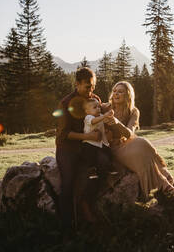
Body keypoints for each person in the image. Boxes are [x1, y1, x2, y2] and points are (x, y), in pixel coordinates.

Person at [55, 67, 110, 238]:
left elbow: (100, 117)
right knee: (68, 183)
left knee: (104, 163)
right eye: (88, 86)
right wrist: (87, 136)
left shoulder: (95, 99)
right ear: (77, 84)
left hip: (89, 147)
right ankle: (67, 226)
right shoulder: (65, 103)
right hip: (68, 148)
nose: (91, 91)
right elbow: (63, 135)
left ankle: (87, 203)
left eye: (93, 86)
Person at [106, 81, 174, 199]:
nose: (116, 94)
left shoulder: (134, 111)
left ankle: (162, 176)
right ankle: (163, 182)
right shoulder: (106, 108)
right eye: (114, 91)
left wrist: (118, 124)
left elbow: (130, 134)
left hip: (127, 143)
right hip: (113, 148)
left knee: (142, 143)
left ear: (128, 95)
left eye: (120, 92)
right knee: (141, 147)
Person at [82, 98, 116, 180]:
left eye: (99, 107)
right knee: (90, 156)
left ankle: (110, 167)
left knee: (108, 152)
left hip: (102, 142)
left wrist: (109, 115)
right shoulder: (88, 117)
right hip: (90, 143)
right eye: (95, 107)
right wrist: (104, 116)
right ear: (87, 111)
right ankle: (92, 170)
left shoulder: (100, 116)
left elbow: (106, 120)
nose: (98, 109)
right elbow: (93, 121)